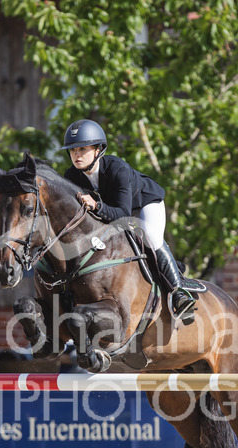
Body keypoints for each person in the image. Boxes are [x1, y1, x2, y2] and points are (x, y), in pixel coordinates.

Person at [60, 118, 196, 324]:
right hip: (112, 213)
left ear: (98, 150)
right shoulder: (71, 176)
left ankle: (179, 293)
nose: (76, 155)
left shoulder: (117, 168)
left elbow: (123, 214)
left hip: (144, 206)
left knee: (150, 236)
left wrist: (96, 206)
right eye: (72, 150)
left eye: (82, 149)